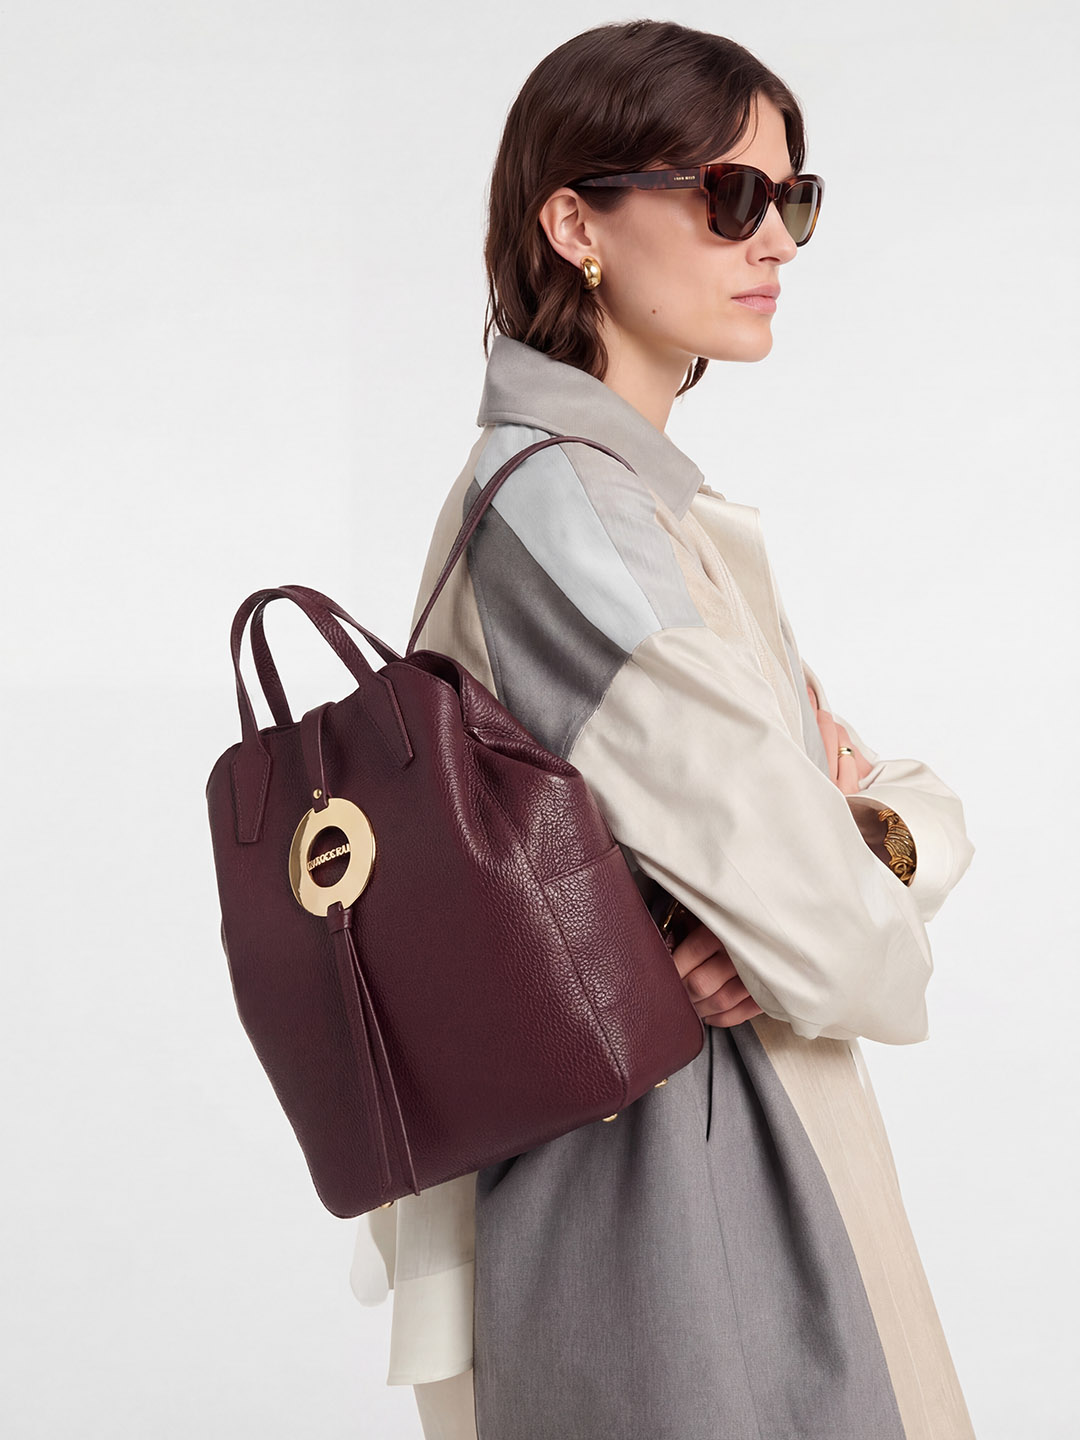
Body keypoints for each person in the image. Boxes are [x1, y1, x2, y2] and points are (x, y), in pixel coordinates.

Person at [349, 19, 977, 1440]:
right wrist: (822, 879)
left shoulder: (634, 506)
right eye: (729, 196)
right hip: (669, 1206)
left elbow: (881, 827)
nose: (777, 241)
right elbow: (831, 934)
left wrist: (857, 838)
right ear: (574, 224)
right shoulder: (570, 515)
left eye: (792, 197)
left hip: (714, 1171)